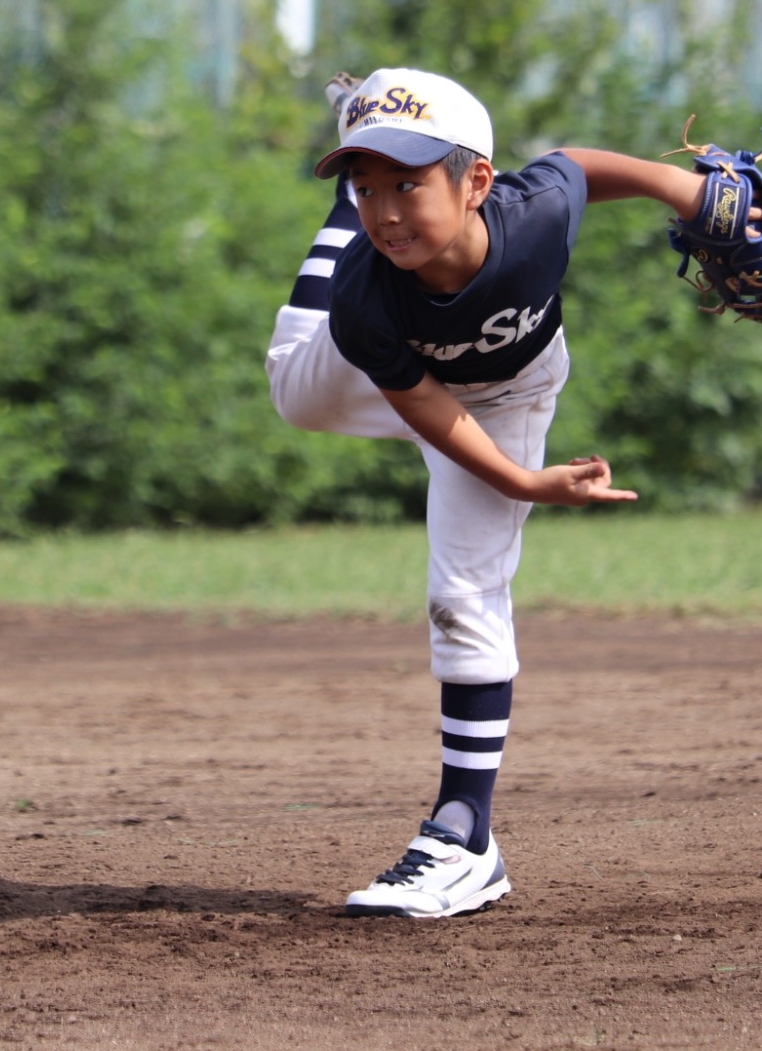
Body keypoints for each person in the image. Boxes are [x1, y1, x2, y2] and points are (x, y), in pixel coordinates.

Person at [266, 67, 732, 919]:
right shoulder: (364, 296)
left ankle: (463, 836)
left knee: (466, 592)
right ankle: (346, 163)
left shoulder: (532, 218)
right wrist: (523, 483)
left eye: (407, 182)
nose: (387, 209)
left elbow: (579, 167)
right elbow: (428, 410)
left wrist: (690, 193)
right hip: (410, 378)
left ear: (476, 181)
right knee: (291, 391)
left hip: (506, 396)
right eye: (365, 186)